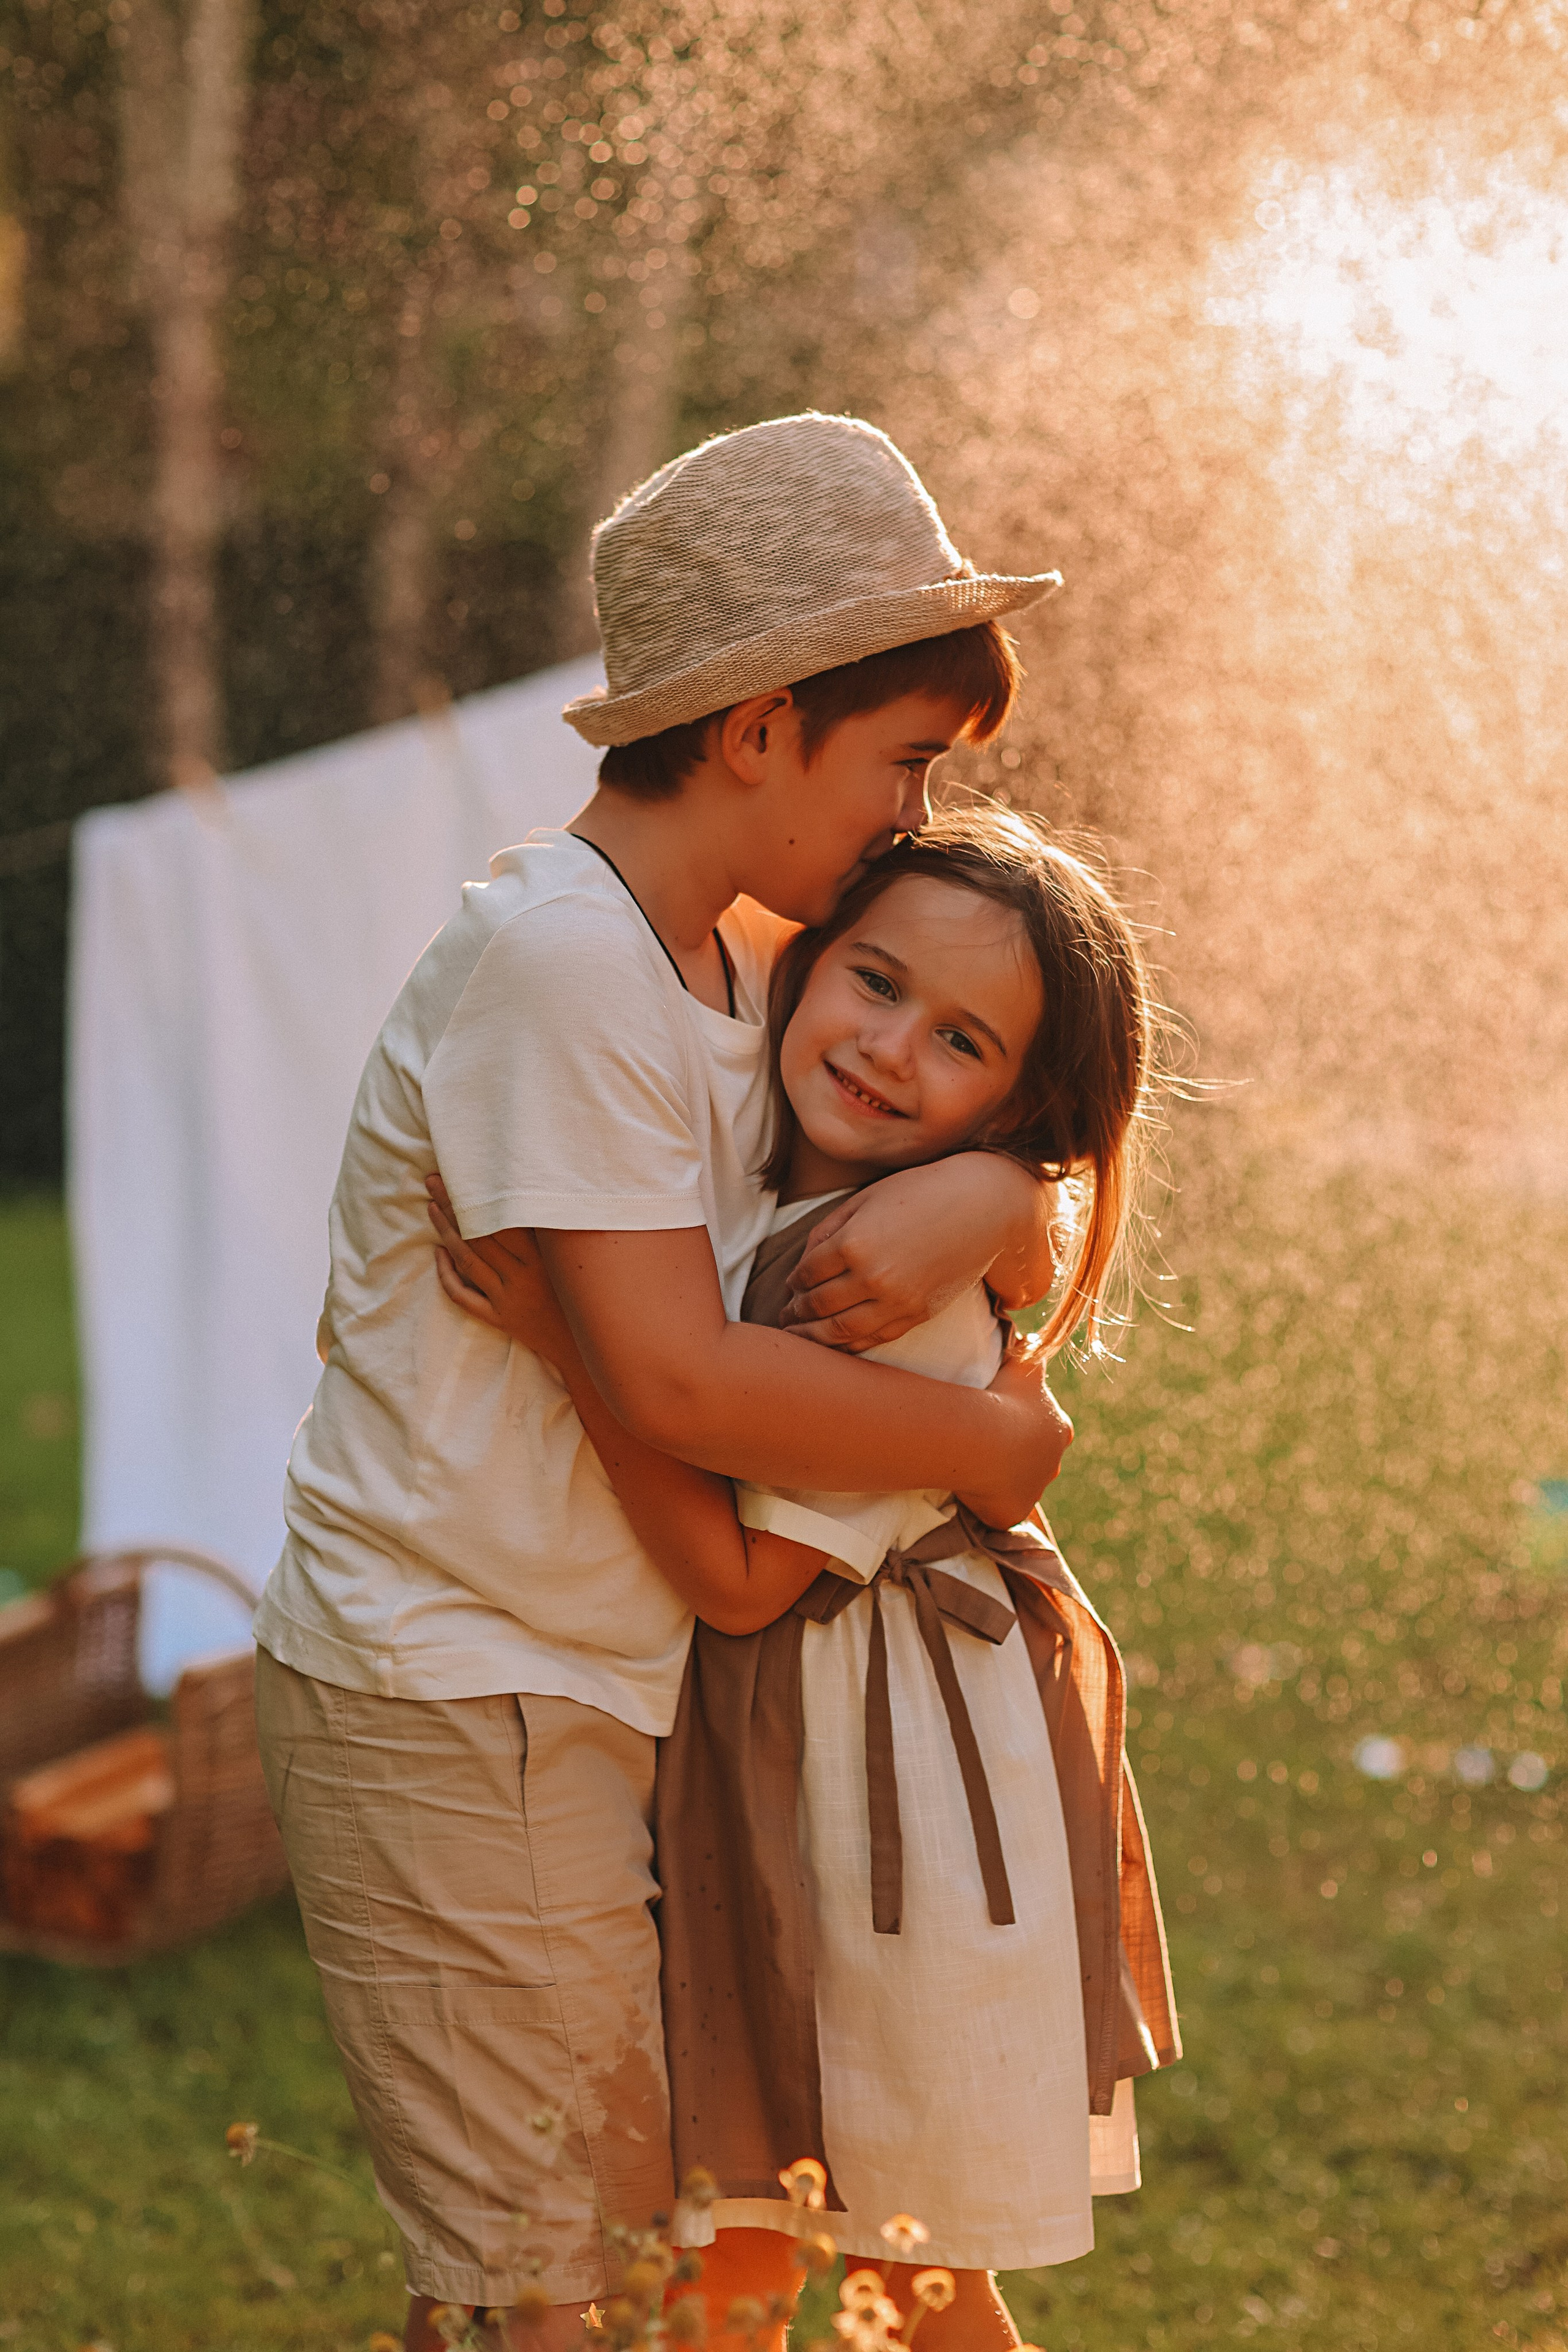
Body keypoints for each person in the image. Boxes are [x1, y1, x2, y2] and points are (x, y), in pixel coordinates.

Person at [251, 413, 1075, 2352]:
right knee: (574, 2303)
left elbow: (908, 1141)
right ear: (762, 726)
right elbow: (685, 1385)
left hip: (566, 1697)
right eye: (904, 761)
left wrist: (994, 1181)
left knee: (576, 2284)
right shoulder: (568, 966)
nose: (914, 816)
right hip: (455, 1689)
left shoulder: (716, 969)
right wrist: (994, 1443)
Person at [430, 806, 1181, 2352]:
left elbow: (736, 1582)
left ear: (1018, 1102)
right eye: (874, 982)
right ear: (804, 960)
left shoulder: (866, 1285)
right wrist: (1003, 1191)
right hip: (807, 1778)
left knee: (878, 2264)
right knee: (776, 2249)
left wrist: (573, 1343)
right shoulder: (791, 1188)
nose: (890, 1046)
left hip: (882, 1802)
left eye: (960, 1039)